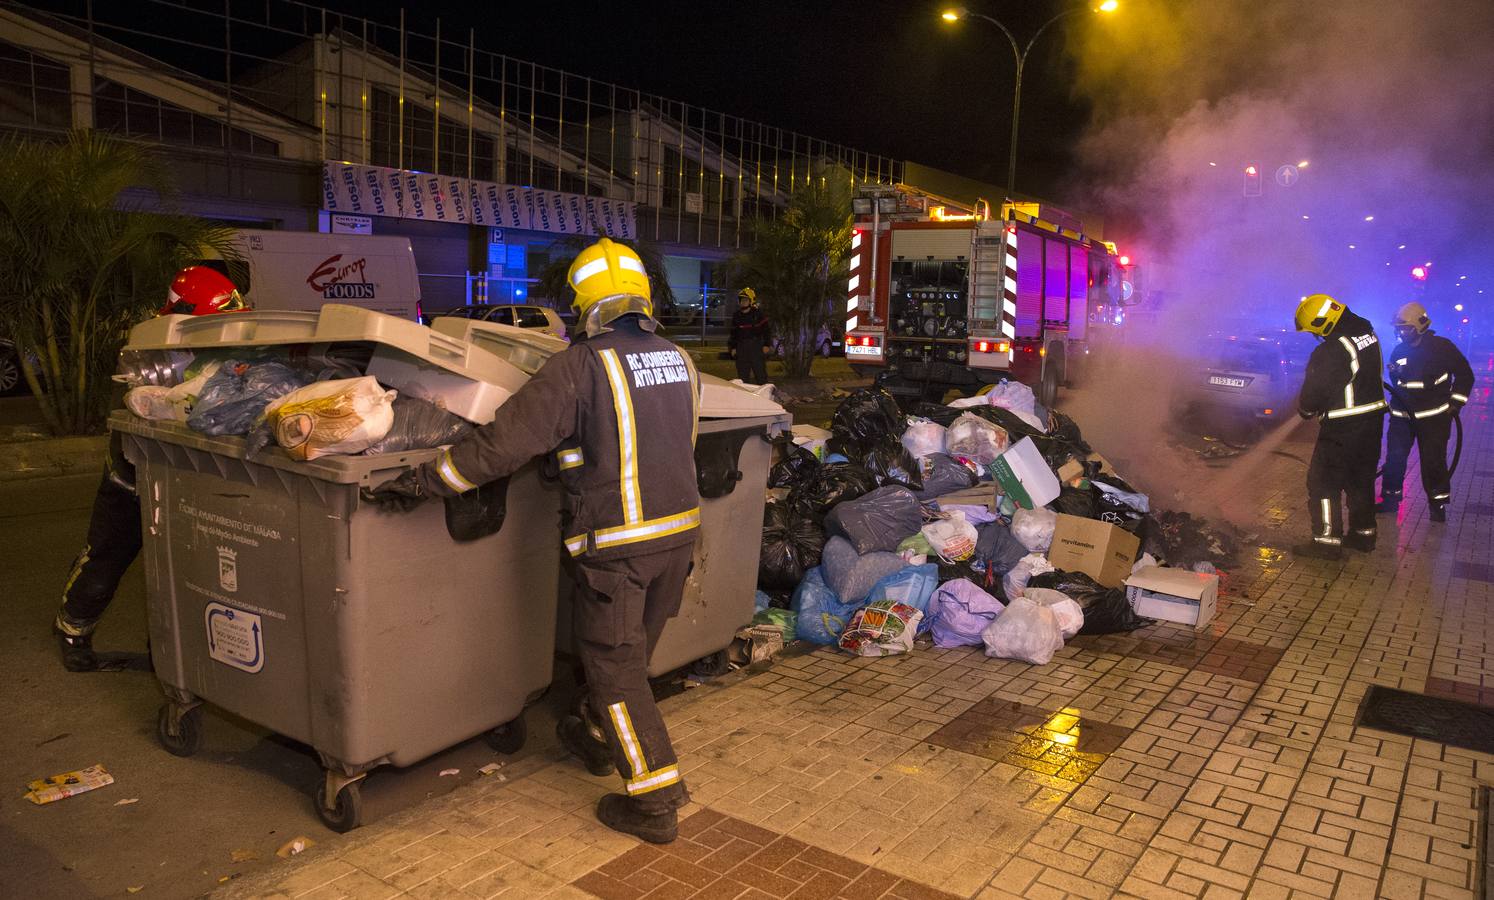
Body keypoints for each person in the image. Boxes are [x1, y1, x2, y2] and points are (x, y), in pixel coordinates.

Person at [366, 237, 700, 844]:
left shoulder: (580, 366)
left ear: (586, 303)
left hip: (617, 550)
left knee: (615, 671)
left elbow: (498, 448)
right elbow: (659, 445)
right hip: (676, 540)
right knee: (629, 664)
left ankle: (656, 800)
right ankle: (599, 736)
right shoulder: (680, 359)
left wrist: (423, 482)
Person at [54, 267, 249, 671]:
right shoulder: (149, 350)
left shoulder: (231, 347)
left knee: (185, 569)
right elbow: (140, 405)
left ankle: (169, 642)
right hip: (133, 471)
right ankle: (72, 627)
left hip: (186, 477)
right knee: (107, 557)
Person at [1292, 294, 1387, 559]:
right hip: (1372, 422)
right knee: (1360, 480)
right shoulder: (1367, 333)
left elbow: (1316, 389)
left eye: (1314, 331)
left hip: (1344, 427)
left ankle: (1326, 542)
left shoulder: (1333, 349)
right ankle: (1363, 535)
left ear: (1325, 322)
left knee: (1322, 482)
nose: (1316, 337)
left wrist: (1306, 410)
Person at [1377, 301, 1474, 521]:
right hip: (1402, 418)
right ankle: (1390, 500)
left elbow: (1465, 375)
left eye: (1405, 328)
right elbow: (1395, 379)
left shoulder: (1442, 348)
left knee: (1433, 461)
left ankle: (1437, 505)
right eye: (1399, 329)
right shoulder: (1399, 350)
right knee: (1394, 458)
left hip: (1434, 418)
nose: (1401, 333)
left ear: (1419, 325)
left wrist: (1455, 404)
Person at [727, 287, 770, 384]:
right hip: (742, 348)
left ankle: (763, 397)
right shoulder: (737, 316)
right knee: (742, 377)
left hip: (756, 347)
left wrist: (766, 345)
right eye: (741, 300)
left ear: (751, 301)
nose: (743, 302)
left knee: (761, 375)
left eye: (746, 300)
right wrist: (733, 348)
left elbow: (766, 331)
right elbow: (734, 334)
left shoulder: (758, 315)